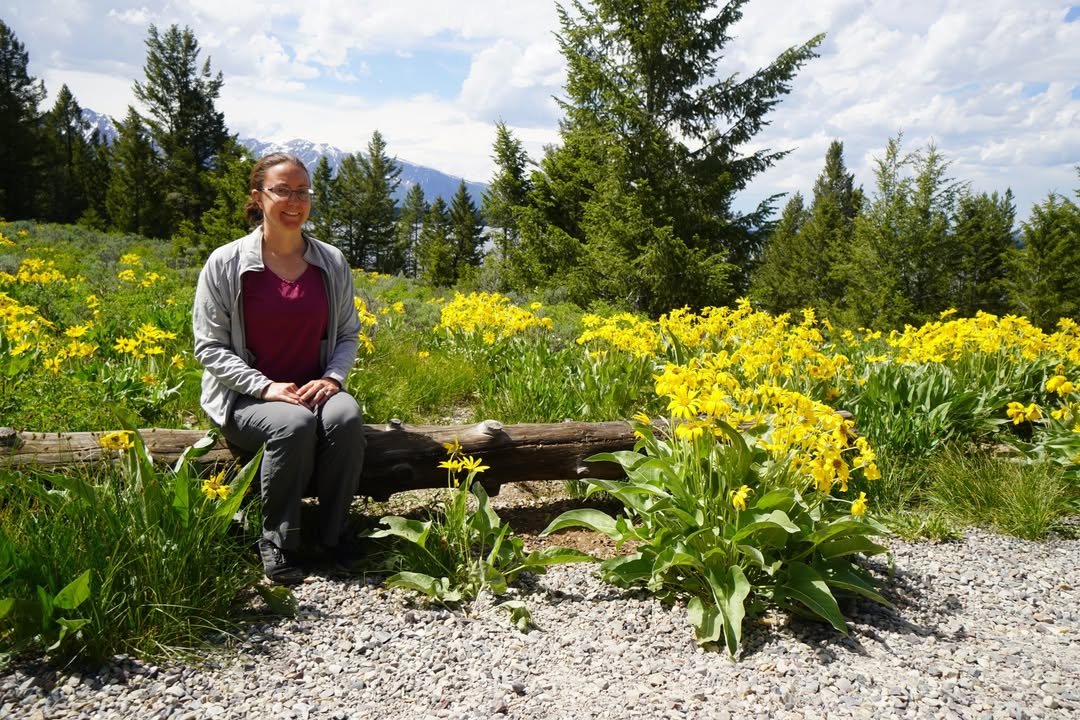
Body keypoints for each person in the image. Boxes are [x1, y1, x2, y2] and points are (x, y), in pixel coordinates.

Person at [192, 152, 366, 585]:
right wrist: (265, 387)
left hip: (315, 388)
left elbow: (348, 333)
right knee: (292, 424)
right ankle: (278, 538)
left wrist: (332, 378)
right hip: (246, 397)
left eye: (303, 191)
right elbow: (209, 347)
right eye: (282, 190)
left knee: (346, 416)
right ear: (258, 197)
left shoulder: (331, 262)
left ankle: (333, 534)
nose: (295, 201)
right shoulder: (226, 263)